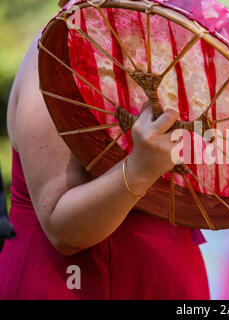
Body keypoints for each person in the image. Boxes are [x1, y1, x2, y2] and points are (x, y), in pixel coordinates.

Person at [0, 4, 209, 299]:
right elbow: (62, 229)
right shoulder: (55, 52)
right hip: (71, 283)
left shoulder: (164, 47)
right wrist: (140, 171)